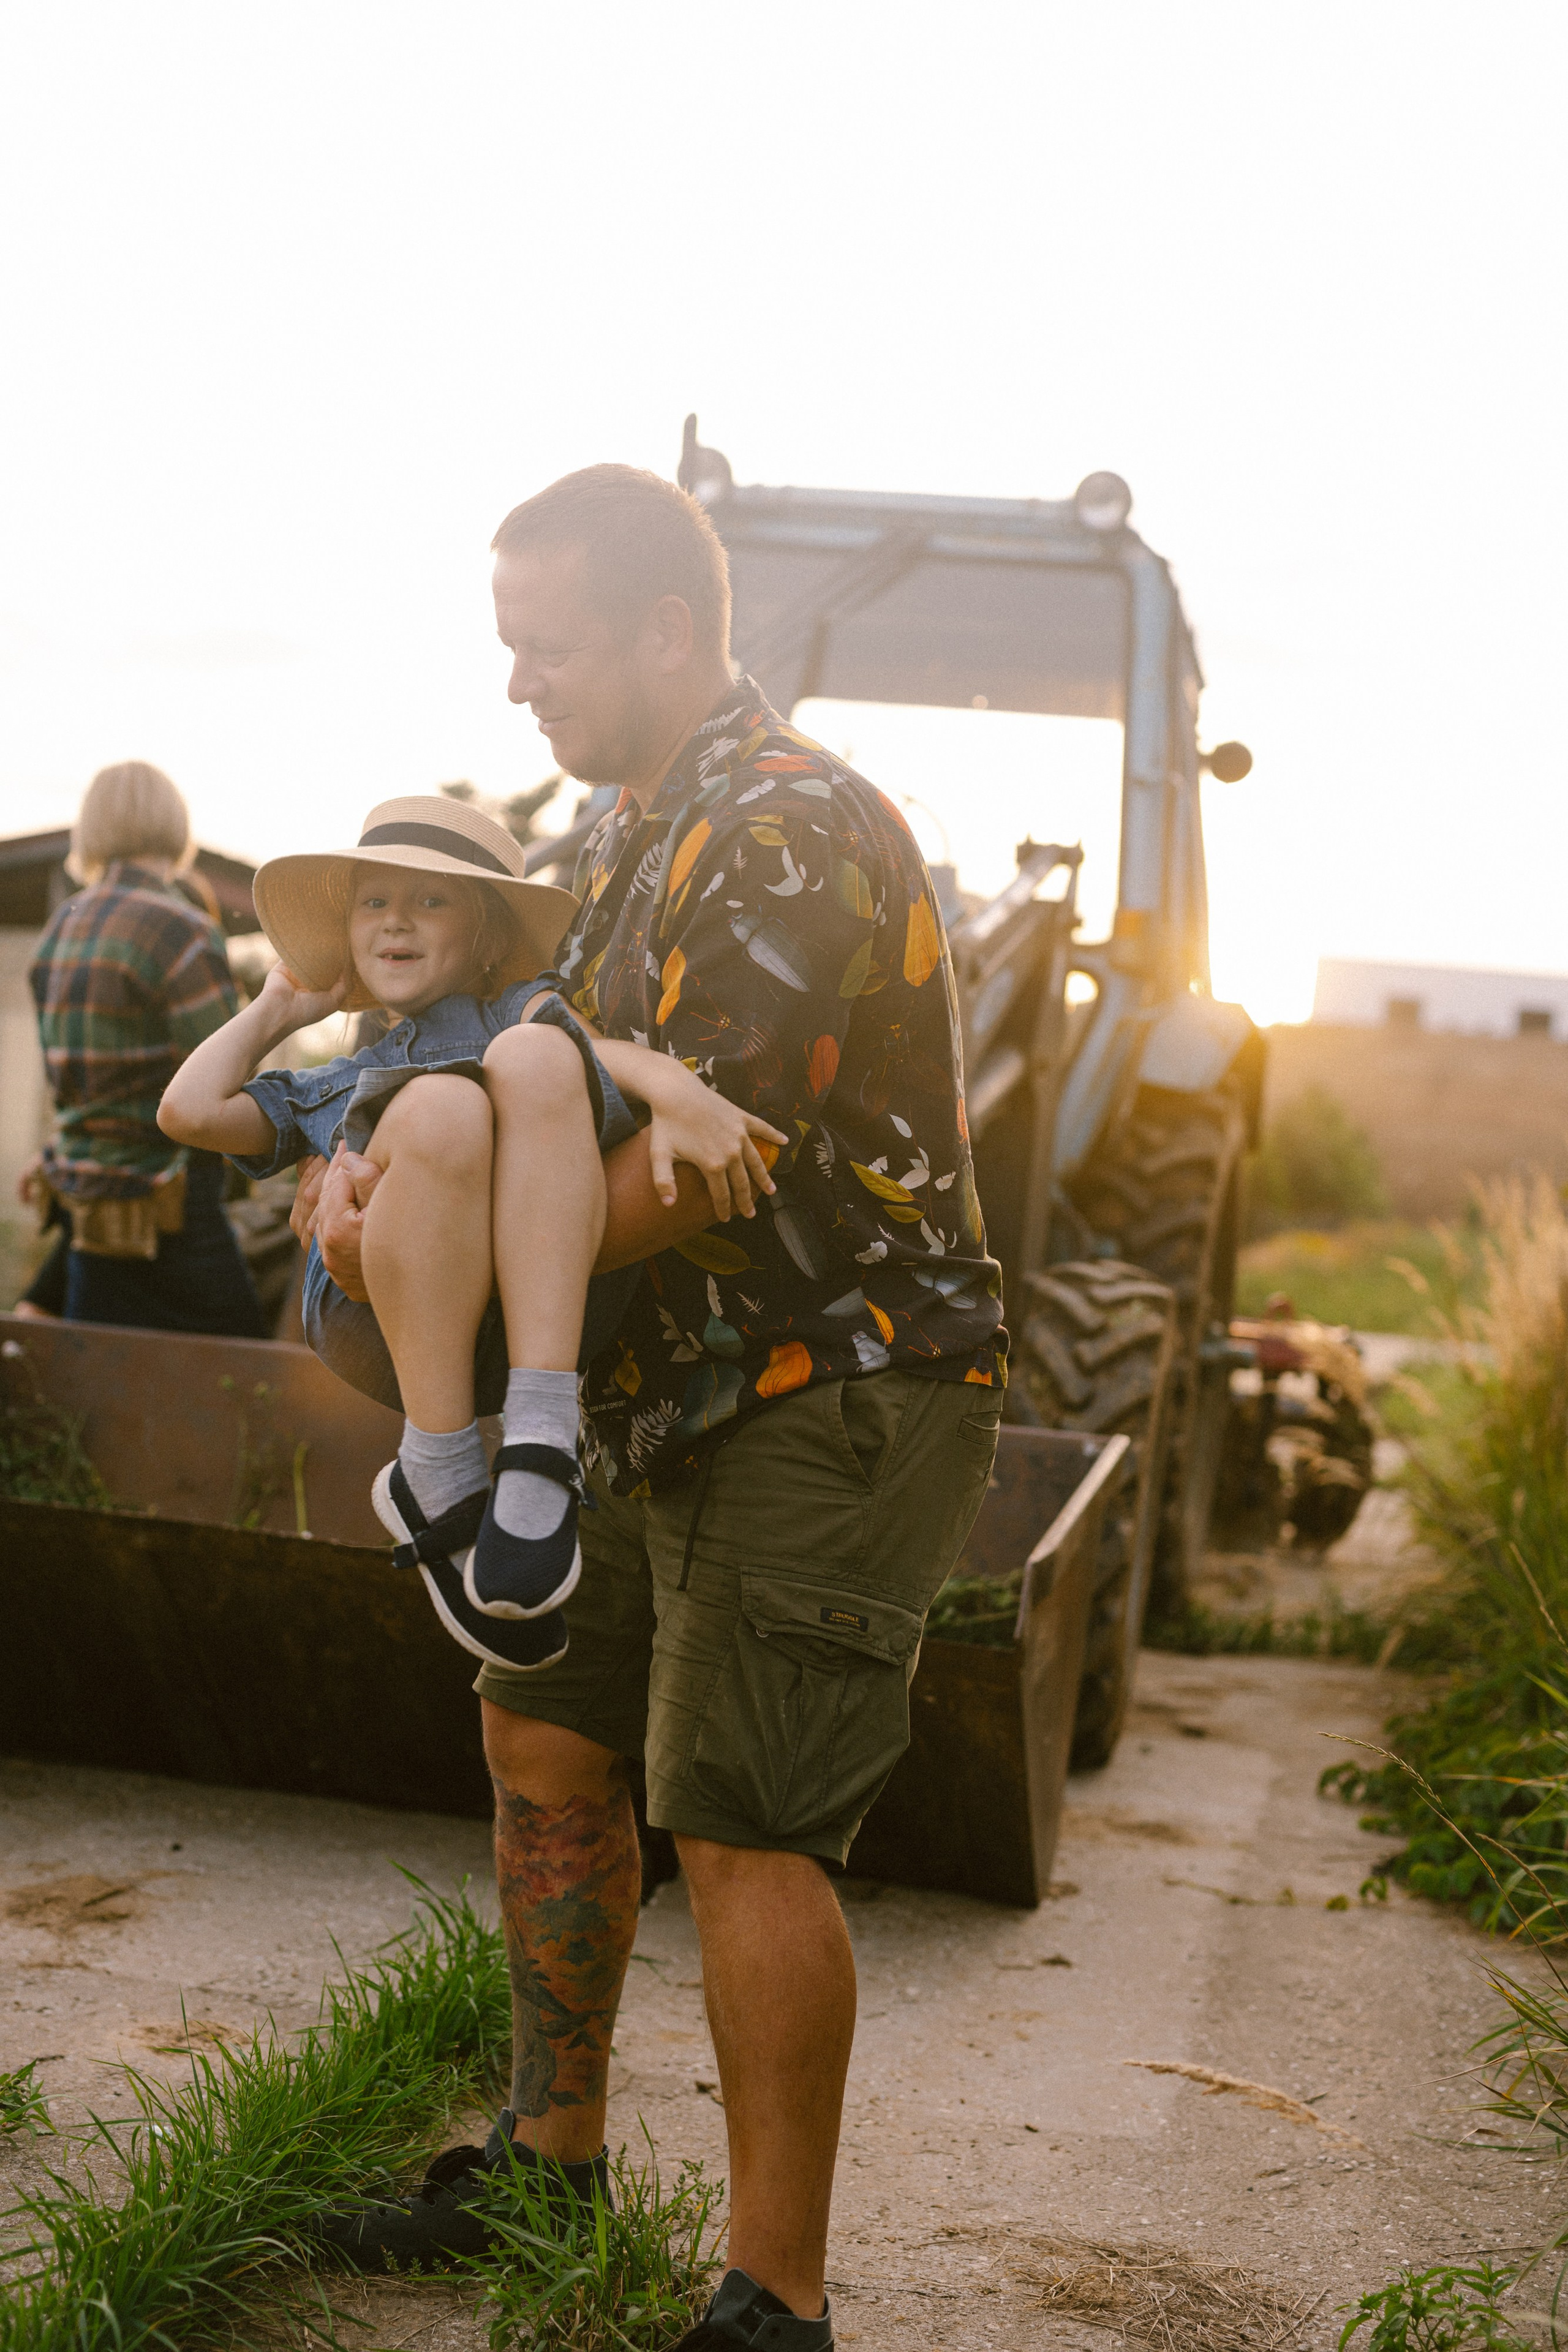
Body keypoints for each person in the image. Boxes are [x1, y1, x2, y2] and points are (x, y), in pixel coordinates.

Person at [293, 467, 1006, 2351]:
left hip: (828, 1373)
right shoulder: (615, 838)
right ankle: (552, 2156)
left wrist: (428, 1266)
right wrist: (371, 1181)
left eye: (549, 646)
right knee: (543, 1724)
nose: (518, 681)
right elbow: (513, 1092)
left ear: (669, 634)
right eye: (510, 646)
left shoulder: (786, 827)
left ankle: (774, 2295)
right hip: (641, 1378)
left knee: (746, 1811)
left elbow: (702, 1162)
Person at [159, 793, 786, 1661]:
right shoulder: (338, 1079)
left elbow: (589, 1051)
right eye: (374, 902)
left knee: (535, 1052)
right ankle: (440, 1455)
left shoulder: (522, 1012)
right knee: (443, 1106)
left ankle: (535, 1434)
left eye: (431, 900)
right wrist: (279, 1010)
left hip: (536, 1320)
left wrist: (673, 1086)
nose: (397, 920)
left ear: (488, 937)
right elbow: (189, 1112)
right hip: (378, 1314)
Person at [26, 761, 267, 1337]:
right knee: (247, 1362)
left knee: (90, 1360)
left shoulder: (59, 930)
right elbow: (226, 1074)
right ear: (174, 824)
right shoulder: (180, 928)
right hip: (169, 1193)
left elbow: (65, 1079)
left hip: (85, 1192)